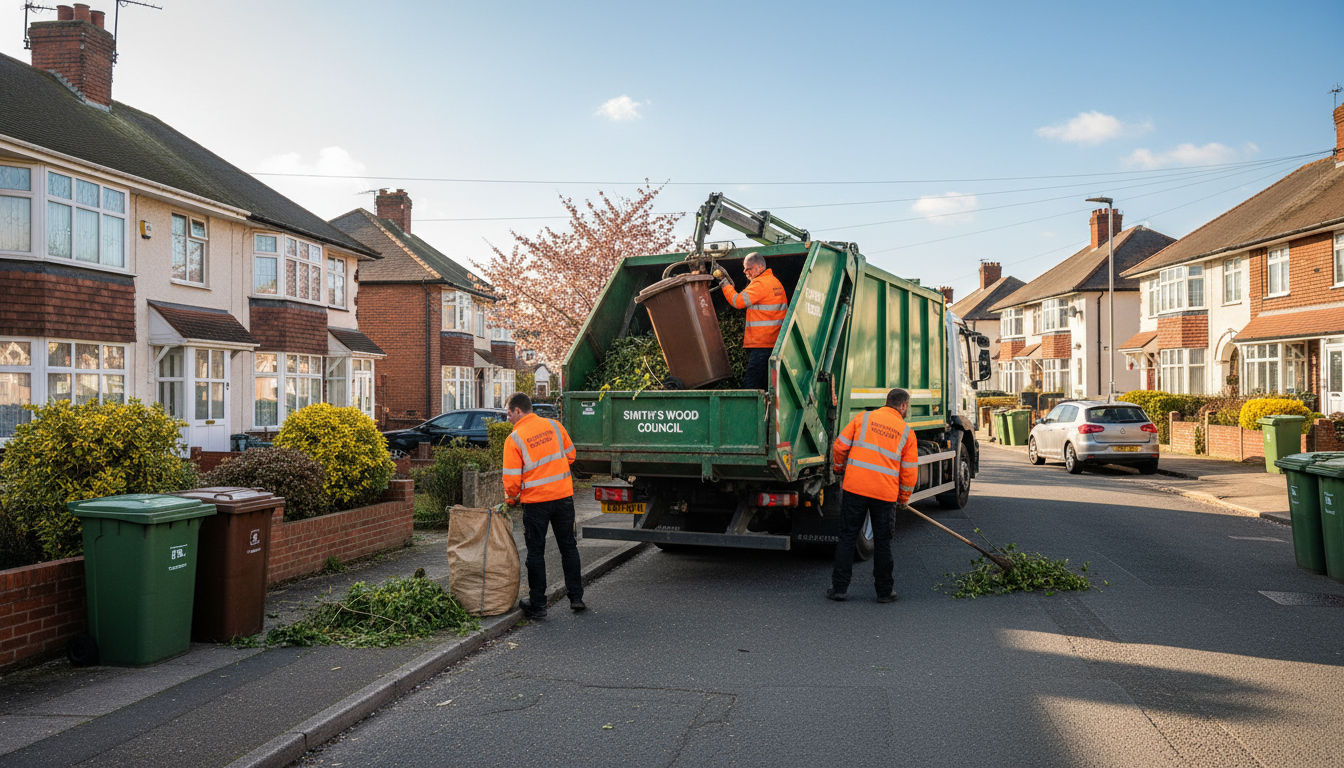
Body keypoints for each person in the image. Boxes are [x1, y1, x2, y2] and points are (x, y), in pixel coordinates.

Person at [828, 388, 918, 603]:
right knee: (883, 542)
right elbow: (909, 472)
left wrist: (839, 469)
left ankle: (839, 589)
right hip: (884, 495)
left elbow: (840, 446)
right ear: (903, 406)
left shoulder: (863, 418)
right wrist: (903, 499)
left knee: (848, 537)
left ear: (887, 401)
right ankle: (884, 592)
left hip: (855, 488)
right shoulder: (907, 433)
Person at [502, 392, 584, 618]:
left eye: (509, 413)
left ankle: (538, 604)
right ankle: (576, 597)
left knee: (536, 552)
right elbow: (571, 455)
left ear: (519, 411)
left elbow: (511, 479)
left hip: (536, 503)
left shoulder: (515, 439)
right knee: (568, 547)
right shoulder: (554, 426)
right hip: (563, 497)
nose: (507, 417)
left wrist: (510, 498)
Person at [719, 251, 787, 390]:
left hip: (763, 345)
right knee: (768, 386)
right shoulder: (774, 282)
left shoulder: (760, 284)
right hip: (775, 343)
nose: (744, 272)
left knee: (751, 385)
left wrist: (725, 285)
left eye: (748, 268)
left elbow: (737, 301)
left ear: (759, 268)